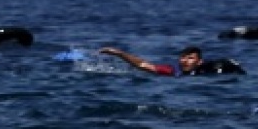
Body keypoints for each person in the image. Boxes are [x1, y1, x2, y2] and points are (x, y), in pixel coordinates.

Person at [98, 45, 244, 76]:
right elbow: (143, 65)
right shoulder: (173, 71)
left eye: (191, 58)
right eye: (183, 57)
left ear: (199, 61)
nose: (185, 61)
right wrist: (118, 53)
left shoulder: (210, 69)